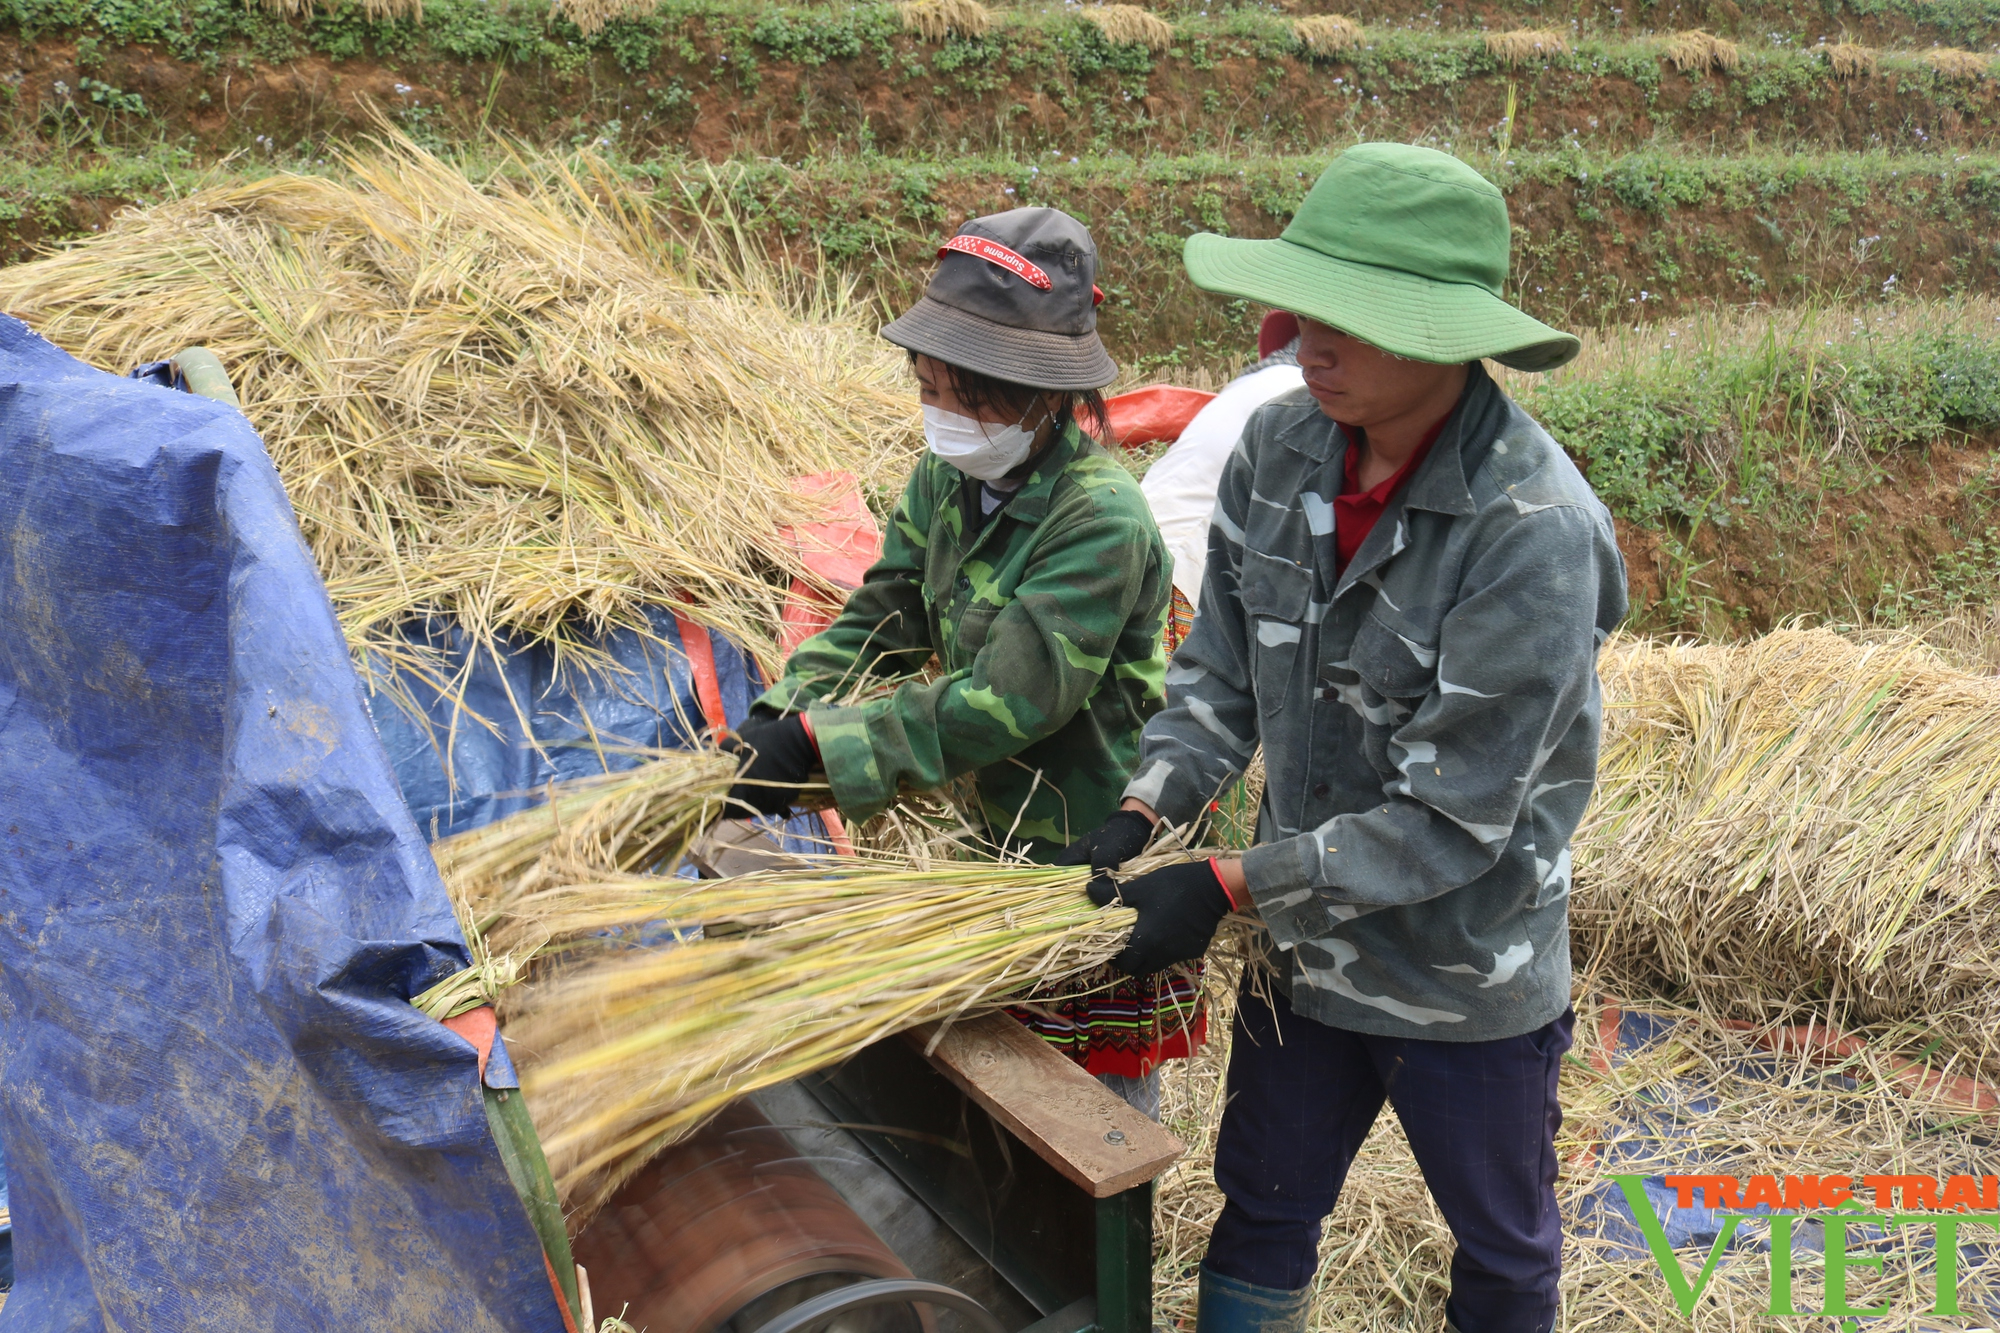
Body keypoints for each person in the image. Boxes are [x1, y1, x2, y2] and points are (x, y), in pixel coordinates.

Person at [1060, 144, 1629, 1331]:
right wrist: (1143, 806)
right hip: (1300, 960)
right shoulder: (1278, 453)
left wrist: (1222, 883)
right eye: (1301, 307)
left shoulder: (1528, 531)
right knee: (1260, 1203)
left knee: (1500, 1240)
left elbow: (1450, 819)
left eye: (1348, 320)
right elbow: (1221, 663)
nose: (1301, 341)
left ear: (1441, 334)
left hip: (1461, 970)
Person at [724, 208, 1195, 1111]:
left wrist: (824, 750)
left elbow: (1004, 704)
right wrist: (783, 713)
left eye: (970, 395)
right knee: (989, 1087)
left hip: (1082, 841)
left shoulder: (1096, 519)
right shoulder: (948, 476)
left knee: (1084, 1105)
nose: (945, 413)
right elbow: (886, 608)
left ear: (1045, 395)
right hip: (991, 832)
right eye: (930, 385)